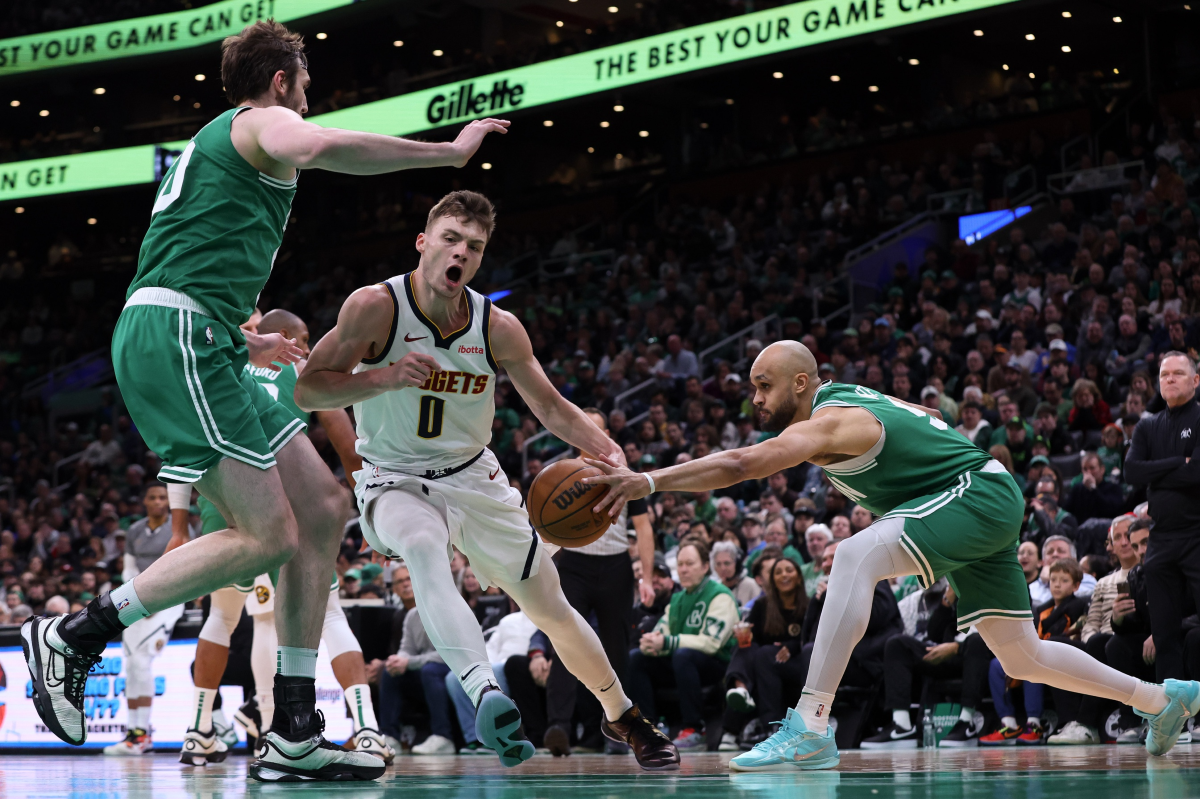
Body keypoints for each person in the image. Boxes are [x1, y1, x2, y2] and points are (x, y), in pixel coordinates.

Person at [21, 20, 507, 782]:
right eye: (304, 89)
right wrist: (445, 153)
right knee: (269, 534)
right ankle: (75, 634)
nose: (306, 104)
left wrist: (243, 341)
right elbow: (317, 148)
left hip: (205, 338)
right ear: (281, 82)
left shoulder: (225, 142)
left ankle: (292, 728)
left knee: (320, 506)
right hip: (178, 339)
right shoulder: (263, 120)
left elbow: (193, 249)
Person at [585, 340, 1198, 771]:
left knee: (852, 555)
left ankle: (810, 727)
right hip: (968, 497)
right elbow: (927, 415)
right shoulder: (848, 392)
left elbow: (743, 464)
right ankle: (1160, 699)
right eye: (752, 390)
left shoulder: (828, 423)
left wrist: (649, 482)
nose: (756, 399)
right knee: (1023, 654)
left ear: (801, 383)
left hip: (971, 496)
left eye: (764, 386)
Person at [294, 190, 678, 770]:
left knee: (551, 607)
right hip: (393, 476)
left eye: (474, 247)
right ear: (424, 243)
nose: (461, 253)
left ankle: (623, 714)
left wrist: (606, 448)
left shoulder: (497, 326)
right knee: (423, 549)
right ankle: (484, 692)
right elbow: (310, 388)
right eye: (450, 239)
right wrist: (383, 378)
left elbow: (549, 405)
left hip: (475, 477)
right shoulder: (375, 308)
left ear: (480, 259)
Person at [176, 308, 391, 766]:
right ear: (286, 336)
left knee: (224, 617)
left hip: (219, 502)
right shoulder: (299, 368)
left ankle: (198, 730)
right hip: (278, 504)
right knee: (326, 613)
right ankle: (364, 728)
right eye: (306, 337)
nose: (311, 348)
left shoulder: (226, 362)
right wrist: (372, 505)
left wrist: (181, 522)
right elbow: (344, 442)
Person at [542, 407, 656, 757]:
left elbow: (644, 527)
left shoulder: (623, 472)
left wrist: (647, 576)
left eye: (599, 428)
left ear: (609, 435)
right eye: (585, 427)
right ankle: (558, 725)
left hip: (616, 568)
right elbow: (543, 526)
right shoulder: (562, 473)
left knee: (616, 648)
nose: (591, 432)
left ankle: (613, 729)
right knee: (565, 642)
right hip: (573, 565)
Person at [1124, 352, 1200, 683]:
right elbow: (1131, 472)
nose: (1169, 378)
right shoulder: (1147, 424)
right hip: (1161, 538)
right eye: (1164, 374)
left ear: (1195, 380)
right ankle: (1174, 710)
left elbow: (1196, 472)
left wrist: (1154, 473)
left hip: (1198, 534)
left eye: (1178, 373)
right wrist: (1175, 463)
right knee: (1164, 632)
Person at [626, 541, 738, 750]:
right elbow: (662, 632)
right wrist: (650, 643)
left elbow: (711, 642)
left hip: (716, 665)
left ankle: (694, 728)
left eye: (689, 563)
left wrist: (667, 642)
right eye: (680, 564)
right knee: (637, 658)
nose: (683, 569)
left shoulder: (720, 595)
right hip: (683, 662)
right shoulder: (676, 599)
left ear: (706, 566)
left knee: (682, 655)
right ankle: (649, 728)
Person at [103, 484, 187, 756]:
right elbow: (128, 569)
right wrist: (139, 597)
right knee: (132, 666)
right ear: (145, 501)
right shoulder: (135, 530)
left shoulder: (180, 528)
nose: (158, 501)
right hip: (139, 600)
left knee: (142, 662)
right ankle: (134, 734)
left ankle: (141, 735)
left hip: (170, 601)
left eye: (163, 497)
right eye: (153, 497)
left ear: (169, 501)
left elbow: (186, 568)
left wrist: (154, 599)